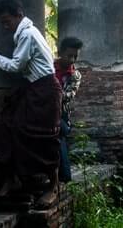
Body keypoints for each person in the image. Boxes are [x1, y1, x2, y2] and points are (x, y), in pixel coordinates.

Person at [0, 0, 62, 205]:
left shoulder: (28, 34)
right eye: (2, 23)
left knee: (44, 137)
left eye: (7, 21)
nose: (5, 26)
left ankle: (53, 186)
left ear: (19, 14)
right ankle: (12, 180)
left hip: (45, 92)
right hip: (33, 90)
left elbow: (16, 66)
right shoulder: (24, 33)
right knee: (7, 126)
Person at [55, 37, 83, 183]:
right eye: (69, 55)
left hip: (61, 114)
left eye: (75, 56)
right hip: (44, 110)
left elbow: (68, 96)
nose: (72, 60)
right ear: (60, 52)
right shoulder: (49, 66)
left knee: (59, 133)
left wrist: (51, 95)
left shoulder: (75, 75)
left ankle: (65, 176)